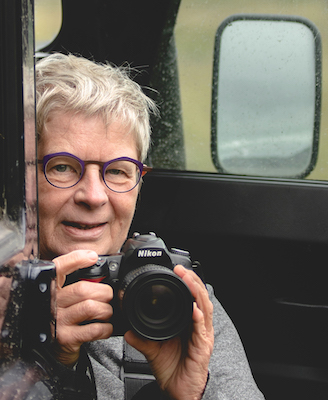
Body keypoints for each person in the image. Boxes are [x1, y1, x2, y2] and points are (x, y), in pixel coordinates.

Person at [35, 53, 265, 399]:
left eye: (117, 171)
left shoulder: (173, 297)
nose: (94, 196)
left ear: (140, 183)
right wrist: (48, 363)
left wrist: (192, 395)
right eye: (63, 167)